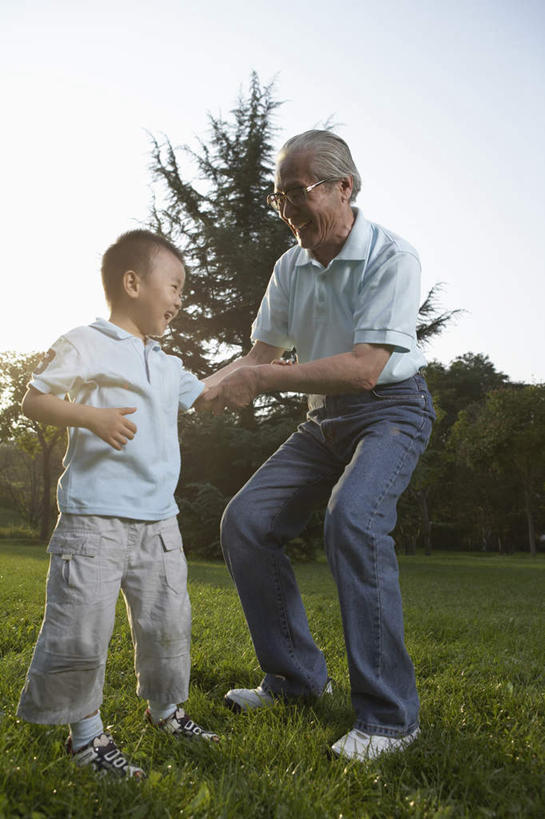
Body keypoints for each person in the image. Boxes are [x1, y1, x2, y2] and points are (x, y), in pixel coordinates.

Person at [203, 130, 436, 762]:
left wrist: (262, 379)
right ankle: (297, 680)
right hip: (323, 421)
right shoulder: (290, 266)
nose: (287, 208)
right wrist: (181, 392)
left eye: (298, 191)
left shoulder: (392, 256)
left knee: (352, 519)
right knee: (247, 522)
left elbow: (364, 367)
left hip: (391, 409)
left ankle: (390, 720)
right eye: (279, 196)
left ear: (344, 187)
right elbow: (258, 357)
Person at [17, 229, 219, 779]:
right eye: (174, 285)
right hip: (95, 517)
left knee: (167, 623)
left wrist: (268, 361)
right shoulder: (86, 342)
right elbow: (33, 399)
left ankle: (166, 711)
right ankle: (85, 736)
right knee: (80, 627)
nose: (180, 299)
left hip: (159, 520)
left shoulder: (168, 363)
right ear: (133, 282)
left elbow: (212, 392)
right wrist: (93, 417)